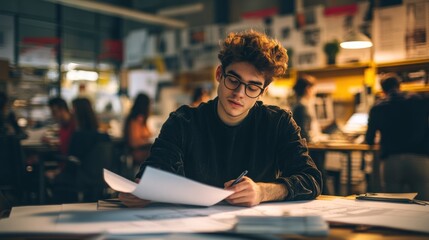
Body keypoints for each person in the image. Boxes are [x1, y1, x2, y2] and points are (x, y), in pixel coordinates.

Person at [119, 30, 322, 208]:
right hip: (190, 227)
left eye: (252, 87)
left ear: (263, 91)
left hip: (254, 228)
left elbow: (311, 179)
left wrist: (263, 192)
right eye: (233, 80)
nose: (239, 93)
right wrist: (143, 188)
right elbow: (156, 169)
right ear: (219, 74)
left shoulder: (279, 123)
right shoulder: (183, 122)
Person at [365, 73, 429, 200]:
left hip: (392, 160)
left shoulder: (378, 107)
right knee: (424, 204)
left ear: (382, 90)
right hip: (420, 158)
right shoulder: (421, 100)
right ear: (400, 85)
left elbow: (369, 139)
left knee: (393, 203)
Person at [47, 97, 110, 203]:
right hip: (101, 178)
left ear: (78, 114)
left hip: (80, 178)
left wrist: (56, 172)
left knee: (49, 178)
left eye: (73, 110)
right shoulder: (103, 136)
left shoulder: (78, 136)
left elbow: (71, 162)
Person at [291, 75, 329, 194]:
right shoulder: (302, 107)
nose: (315, 91)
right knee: (319, 179)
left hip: (311, 148)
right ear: (308, 89)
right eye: (314, 88)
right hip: (310, 151)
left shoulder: (302, 105)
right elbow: (304, 134)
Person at [123, 93, 153, 164]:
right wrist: (149, 142)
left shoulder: (141, 119)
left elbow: (149, 133)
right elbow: (134, 142)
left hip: (142, 152)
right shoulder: (135, 120)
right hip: (137, 153)